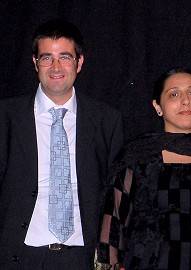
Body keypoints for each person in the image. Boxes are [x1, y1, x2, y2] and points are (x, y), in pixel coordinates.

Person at [0, 19, 123, 269]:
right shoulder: (5, 117)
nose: (55, 66)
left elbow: (116, 195)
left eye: (65, 57)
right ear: (35, 63)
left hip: (81, 257)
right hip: (17, 255)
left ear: (79, 62)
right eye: (46, 58)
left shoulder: (107, 120)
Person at [96, 68, 191, 270]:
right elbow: (113, 219)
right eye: (174, 94)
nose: (185, 101)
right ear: (157, 106)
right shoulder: (136, 155)